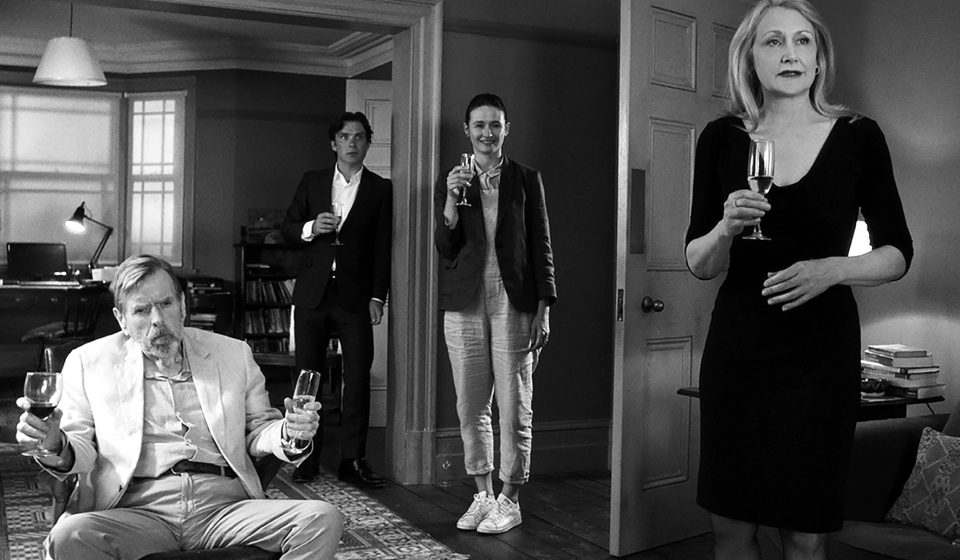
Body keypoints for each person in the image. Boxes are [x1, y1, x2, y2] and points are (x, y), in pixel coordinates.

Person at [684, 1, 913, 558]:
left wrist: (833, 269)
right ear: (749, 58)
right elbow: (700, 262)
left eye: (802, 41)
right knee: (731, 525)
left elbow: (898, 253)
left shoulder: (859, 136)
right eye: (773, 41)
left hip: (820, 357)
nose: (790, 53)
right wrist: (725, 228)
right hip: (740, 351)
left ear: (818, 58)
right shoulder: (720, 138)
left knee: (806, 534)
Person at [15, 254, 343, 560]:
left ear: (182, 305)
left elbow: (259, 429)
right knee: (69, 536)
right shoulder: (89, 362)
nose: (158, 320)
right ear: (121, 319)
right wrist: (54, 443)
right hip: (136, 510)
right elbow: (81, 448)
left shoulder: (233, 354)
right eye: (141, 311)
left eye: (166, 304)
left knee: (322, 518)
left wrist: (288, 433)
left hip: (223, 507)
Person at [434, 93, 557, 535]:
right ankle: (483, 494)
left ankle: (510, 499)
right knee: (470, 407)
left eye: (495, 125)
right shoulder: (453, 181)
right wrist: (451, 200)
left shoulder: (526, 179)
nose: (487, 133)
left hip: (514, 301)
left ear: (506, 129)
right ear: (467, 130)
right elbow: (445, 248)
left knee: (514, 406)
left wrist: (544, 307)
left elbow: (541, 245)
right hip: (464, 304)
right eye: (479, 125)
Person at [281, 111, 392, 487]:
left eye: (359, 137)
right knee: (306, 378)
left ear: (367, 143)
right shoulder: (312, 181)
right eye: (345, 136)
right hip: (312, 294)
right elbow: (287, 229)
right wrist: (312, 227)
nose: (352, 143)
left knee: (357, 378)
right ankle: (306, 456)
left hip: (355, 298)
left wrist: (378, 296)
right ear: (334, 143)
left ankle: (353, 460)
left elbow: (382, 248)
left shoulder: (380, 188)